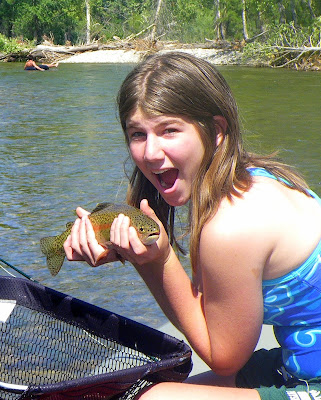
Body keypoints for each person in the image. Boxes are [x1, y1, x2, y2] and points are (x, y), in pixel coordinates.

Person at [63, 52, 321, 400]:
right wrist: (128, 250)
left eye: (169, 130)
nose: (151, 152)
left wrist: (156, 261)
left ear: (215, 130)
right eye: (137, 134)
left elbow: (224, 358)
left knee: (152, 398)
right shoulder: (257, 179)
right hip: (300, 362)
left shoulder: (231, 225)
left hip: (312, 379)